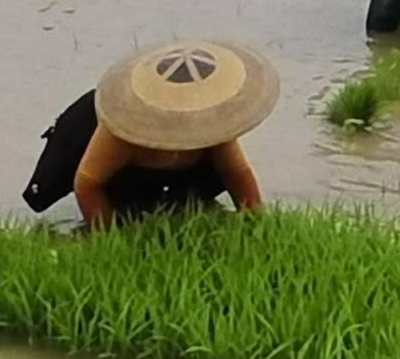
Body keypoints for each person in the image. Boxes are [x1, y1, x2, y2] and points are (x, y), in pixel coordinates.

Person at [21, 39, 277, 229]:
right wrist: (109, 242)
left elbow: (237, 173)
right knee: (122, 207)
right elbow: (87, 183)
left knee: (182, 204)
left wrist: (256, 225)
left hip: (165, 168)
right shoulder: (125, 121)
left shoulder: (210, 118)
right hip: (95, 145)